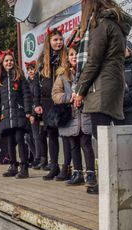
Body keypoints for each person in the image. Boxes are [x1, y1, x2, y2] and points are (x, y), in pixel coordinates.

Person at [73, 0, 132, 194]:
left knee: (103, 139)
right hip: (114, 82)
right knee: (115, 137)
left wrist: (80, 91)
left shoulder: (101, 24)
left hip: (101, 86)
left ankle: (106, 184)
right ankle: (120, 180)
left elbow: (93, 61)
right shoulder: (116, 23)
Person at [52, 45, 97, 187]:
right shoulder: (62, 76)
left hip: (85, 116)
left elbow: (94, 90)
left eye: (77, 54)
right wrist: (69, 97)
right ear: (67, 57)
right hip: (70, 116)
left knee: (86, 144)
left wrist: (83, 97)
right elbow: (55, 95)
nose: (74, 57)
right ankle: (77, 173)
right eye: (71, 54)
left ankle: (90, 173)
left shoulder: (87, 72)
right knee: (73, 145)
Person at [35, 28, 71, 180]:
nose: (58, 42)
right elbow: (37, 83)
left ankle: (67, 167)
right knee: (51, 134)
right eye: (55, 40)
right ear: (49, 42)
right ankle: (54, 166)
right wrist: (36, 103)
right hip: (47, 102)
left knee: (66, 134)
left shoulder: (66, 57)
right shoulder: (43, 60)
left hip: (62, 100)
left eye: (60, 40)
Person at [0, 49, 32, 179]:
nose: (9, 63)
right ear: (2, 63)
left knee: (20, 139)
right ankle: (13, 165)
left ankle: (24, 167)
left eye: (11, 60)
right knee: (9, 141)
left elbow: (26, 94)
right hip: (6, 114)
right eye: (6, 61)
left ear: (14, 62)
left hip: (19, 112)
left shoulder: (19, 76)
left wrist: (28, 110)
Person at [25, 61, 43, 168]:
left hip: (36, 113)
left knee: (36, 135)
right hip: (28, 113)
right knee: (27, 137)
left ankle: (38, 157)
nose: (31, 71)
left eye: (32, 69)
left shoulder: (38, 81)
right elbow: (26, 99)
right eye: (29, 70)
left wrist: (33, 114)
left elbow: (37, 98)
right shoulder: (27, 83)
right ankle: (35, 156)